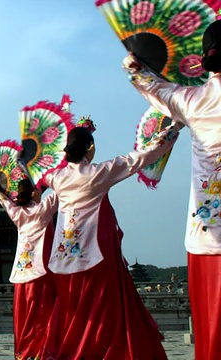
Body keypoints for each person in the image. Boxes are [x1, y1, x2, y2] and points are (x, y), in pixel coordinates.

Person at [124, 19, 221, 360]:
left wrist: (134, 65)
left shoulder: (192, 101)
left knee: (213, 337)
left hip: (208, 238)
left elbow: (153, 86)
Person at [42, 125, 178, 359]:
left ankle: (73, 350)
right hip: (95, 253)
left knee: (73, 310)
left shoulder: (56, 178)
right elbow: (137, 159)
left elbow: (41, 175)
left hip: (64, 256)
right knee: (102, 309)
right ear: (90, 148)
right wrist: (169, 132)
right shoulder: (99, 173)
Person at [0, 178, 57, 359]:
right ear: (35, 192)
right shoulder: (43, 209)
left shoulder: (17, 213)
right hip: (40, 272)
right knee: (43, 315)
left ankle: (24, 352)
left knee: (25, 316)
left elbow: (3, 200)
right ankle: (42, 351)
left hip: (21, 274)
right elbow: (62, 189)